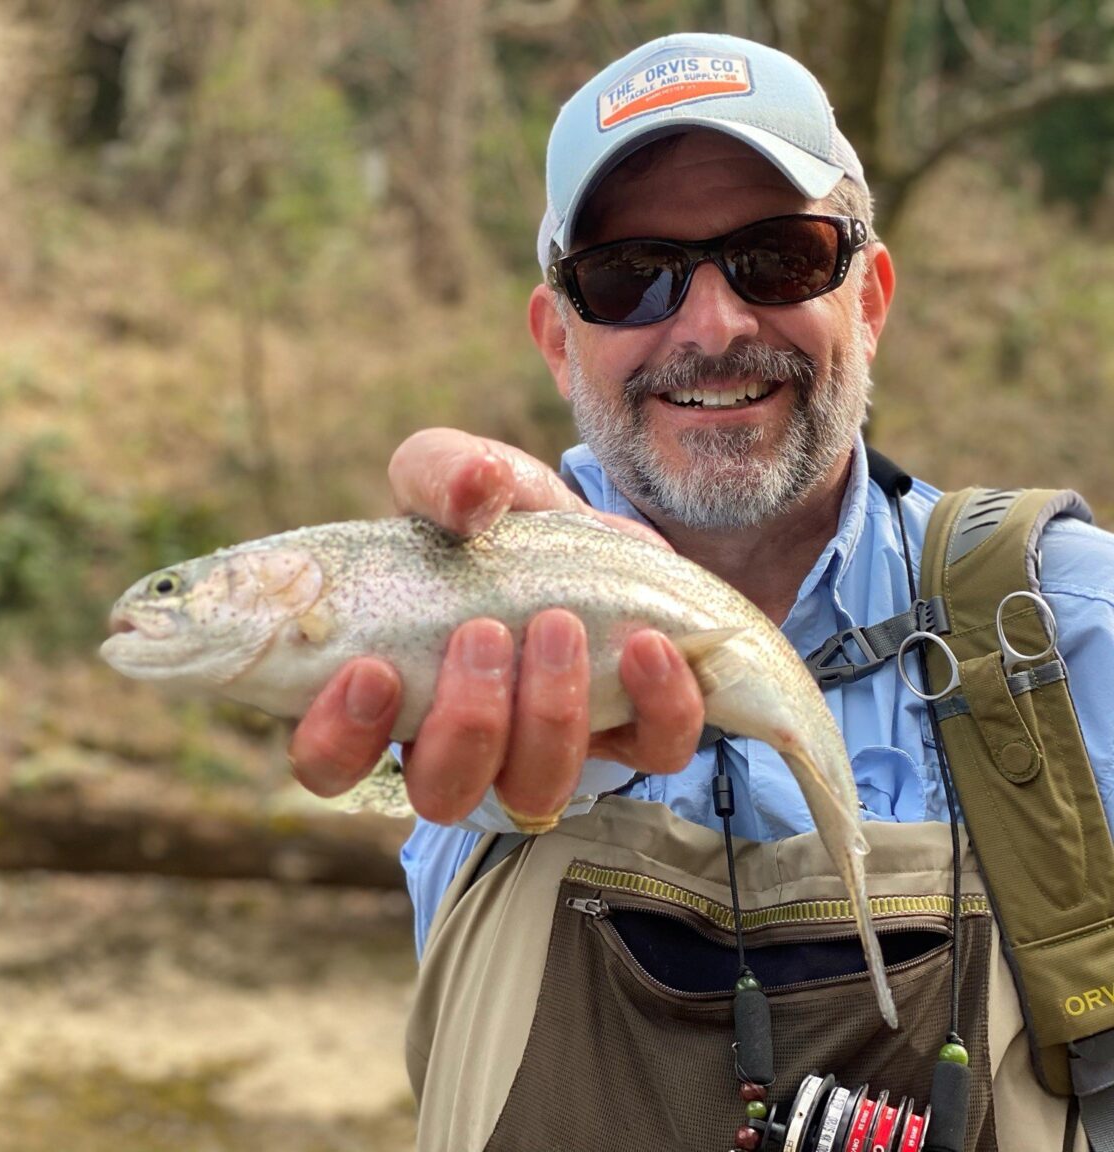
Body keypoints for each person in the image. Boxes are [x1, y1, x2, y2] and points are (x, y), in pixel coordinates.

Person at [284, 31, 1114, 1152]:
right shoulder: (465, 605)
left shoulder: (1069, 631)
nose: (714, 327)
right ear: (557, 340)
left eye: (778, 257)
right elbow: (420, 781)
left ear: (868, 297)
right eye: (630, 277)